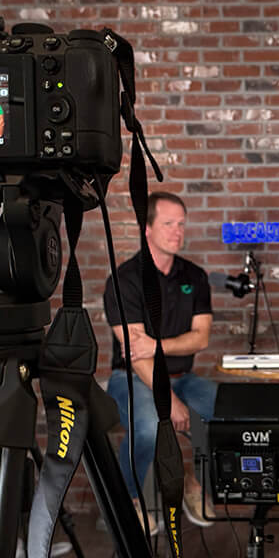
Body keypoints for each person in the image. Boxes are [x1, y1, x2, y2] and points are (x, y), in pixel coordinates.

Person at [102, 191, 217, 531]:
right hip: (134, 379)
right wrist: (172, 403)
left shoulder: (194, 277)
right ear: (147, 228)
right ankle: (128, 501)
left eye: (181, 224)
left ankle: (193, 485)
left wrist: (157, 345)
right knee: (151, 426)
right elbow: (136, 356)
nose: (177, 231)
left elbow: (201, 337)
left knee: (224, 413)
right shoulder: (124, 281)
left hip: (184, 376)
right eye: (168, 224)